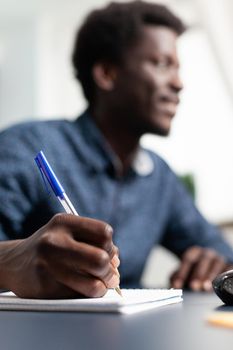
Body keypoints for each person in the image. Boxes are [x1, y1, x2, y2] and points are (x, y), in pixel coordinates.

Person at [0, 0, 232, 299]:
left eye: (178, 68)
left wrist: (213, 261)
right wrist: (9, 261)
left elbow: (220, 250)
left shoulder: (158, 177)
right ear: (107, 73)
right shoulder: (26, 147)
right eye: (162, 64)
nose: (178, 83)